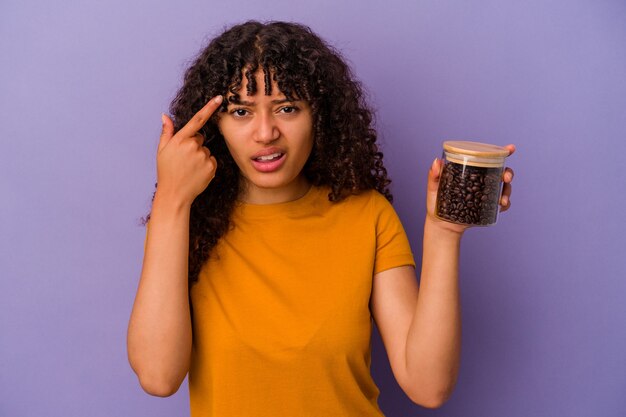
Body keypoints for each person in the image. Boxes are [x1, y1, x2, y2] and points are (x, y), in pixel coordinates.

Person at [127, 20, 515, 416]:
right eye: (241, 111)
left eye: (288, 108)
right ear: (214, 125)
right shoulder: (183, 221)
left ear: (320, 115)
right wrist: (172, 198)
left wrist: (443, 233)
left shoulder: (367, 215)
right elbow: (158, 377)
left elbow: (428, 386)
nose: (265, 133)